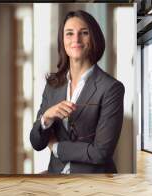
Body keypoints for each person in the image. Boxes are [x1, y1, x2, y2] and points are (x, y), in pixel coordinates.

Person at [30, 10, 125, 174]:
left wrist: (56, 147)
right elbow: (37, 143)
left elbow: (100, 153)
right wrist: (46, 118)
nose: (76, 39)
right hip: (55, 176)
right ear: (62, 40)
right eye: (69, 33)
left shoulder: (111, 88)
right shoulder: (52, 85)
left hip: (93, 183)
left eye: (84, 33)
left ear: (94, 38)